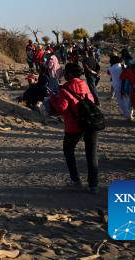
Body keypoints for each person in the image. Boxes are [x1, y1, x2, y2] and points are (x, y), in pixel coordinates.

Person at [49, 63, 99, 194]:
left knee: (68, 151)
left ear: (69, 74)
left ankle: (75, 181)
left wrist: (53, 98)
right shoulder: (85, 84)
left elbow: (61, 108)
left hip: (74, 126)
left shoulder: (65, 89)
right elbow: (92, 100)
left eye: (65, 72)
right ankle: (93, 185)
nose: (64, 74)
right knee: (91, 154)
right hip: (90, 123)